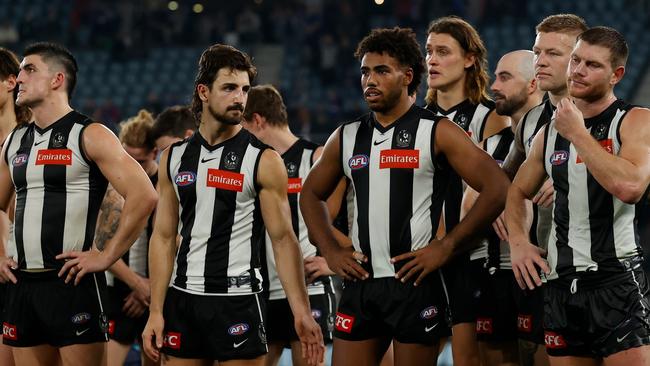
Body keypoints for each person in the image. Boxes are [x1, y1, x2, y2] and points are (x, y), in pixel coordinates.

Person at [299, 26, 509, 366]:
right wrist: (331, 250)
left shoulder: (437, 130)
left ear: (407, 76)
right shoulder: (347, 136)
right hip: (362, 282)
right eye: (365, 71)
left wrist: (446, 246)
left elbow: (497, 187)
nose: (370, 80)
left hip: (416, 282)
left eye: (382, 71)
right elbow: (310, 194)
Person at [141, 44, 324, 366]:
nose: (240, 97)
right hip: (183, 298)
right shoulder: (174, 157)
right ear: (204, 92)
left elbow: (283, 239)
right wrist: (156, 310)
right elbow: (164, 237)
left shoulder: (264, 160)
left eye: (244, 89)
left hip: (239, 300)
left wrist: (301, 311)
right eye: (229, 88)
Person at [0, 42, 157, 365]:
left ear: (57, 79)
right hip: (22, 284)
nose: (20, 78)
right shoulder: (15, 141)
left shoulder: (90, 134)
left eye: (29, 69)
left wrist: (105, 256)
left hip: (72, 284)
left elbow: (144, 195)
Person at [506, 26, 650, 365]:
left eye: (592, 65)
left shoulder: (635, 120)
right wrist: (518, 242)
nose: (578, 71)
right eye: (575, 60)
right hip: (560, 285)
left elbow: (630, 188)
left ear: (617, 75)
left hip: (616, 281)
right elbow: (517, 190)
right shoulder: (548, 132)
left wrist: (578, 133)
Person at [500, 14, 587, 366]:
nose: (541, 62)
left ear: (579, 60)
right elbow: (506, 181)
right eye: (538, 52)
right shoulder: (532, 121)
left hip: (604, 271)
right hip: (544, 269)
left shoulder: (615, 115)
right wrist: (518, 240)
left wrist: (569, 174)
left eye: (554, 53)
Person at [423, 16, 511, 366]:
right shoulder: (415, 120)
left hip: (470, 256)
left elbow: (494, 188)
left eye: (443, 52)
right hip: (419, 256)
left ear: (470, 58)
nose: (431, 59)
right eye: (428, 52)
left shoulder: (491, 117)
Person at [241, 84, 337, 366]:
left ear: (257, 121)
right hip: (262, 291)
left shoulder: (316, 158)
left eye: (242, 126)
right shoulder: (253, 166)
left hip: (310, 290)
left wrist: (332, 262)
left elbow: (357, 219)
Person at [462, 50, 544, 366]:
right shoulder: (486, 147)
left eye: (505, 77)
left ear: (534, 83)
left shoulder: (556, 137)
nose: (494, 85)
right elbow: (467, 211)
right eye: (495, 76)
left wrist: (500, 198)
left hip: (542, 274)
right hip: (492, 272)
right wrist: (499, 200)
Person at [94, 110, 159, 366]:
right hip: (119, 289)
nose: (133, 167)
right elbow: (100, 246)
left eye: (140, 161)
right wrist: (138, 285)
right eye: (128, 158)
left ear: (155, 153)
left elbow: (175, 241)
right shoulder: (110, 186)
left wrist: (151, 288)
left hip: (158, 292)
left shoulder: (167, 183)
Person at [0, 46, 31, 366]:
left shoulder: (35, 140)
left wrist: (100, 253)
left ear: (11, 82)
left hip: (29, 278)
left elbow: (107, 204)